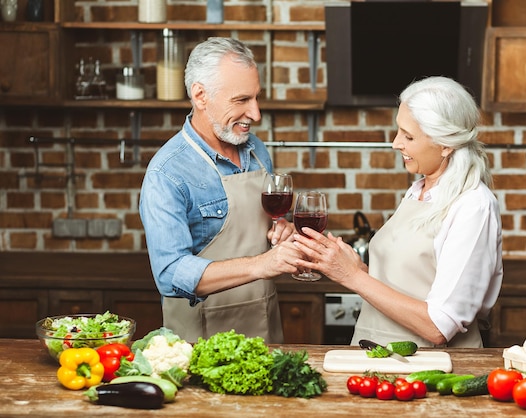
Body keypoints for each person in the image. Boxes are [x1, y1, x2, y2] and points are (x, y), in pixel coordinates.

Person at [294, 76, 503, 348]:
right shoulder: (418, 191)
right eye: (398, 131)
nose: (395, 143)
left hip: (430, 371)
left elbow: (439, 326)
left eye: (408, 136)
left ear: (445, 144)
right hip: (374, 357)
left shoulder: (473, 205)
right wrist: (357, 268)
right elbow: (409, 283)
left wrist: (353, 278)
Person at [139, 37, 302, 344]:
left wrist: (282, 229)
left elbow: (265, 229)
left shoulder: (256, 151)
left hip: (264, 328)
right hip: (201, 342)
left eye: (256, 98)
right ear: (200, 95)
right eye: (241, 100)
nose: (256, 114)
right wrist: (261, 264)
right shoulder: (168, 173)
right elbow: (170, 274)